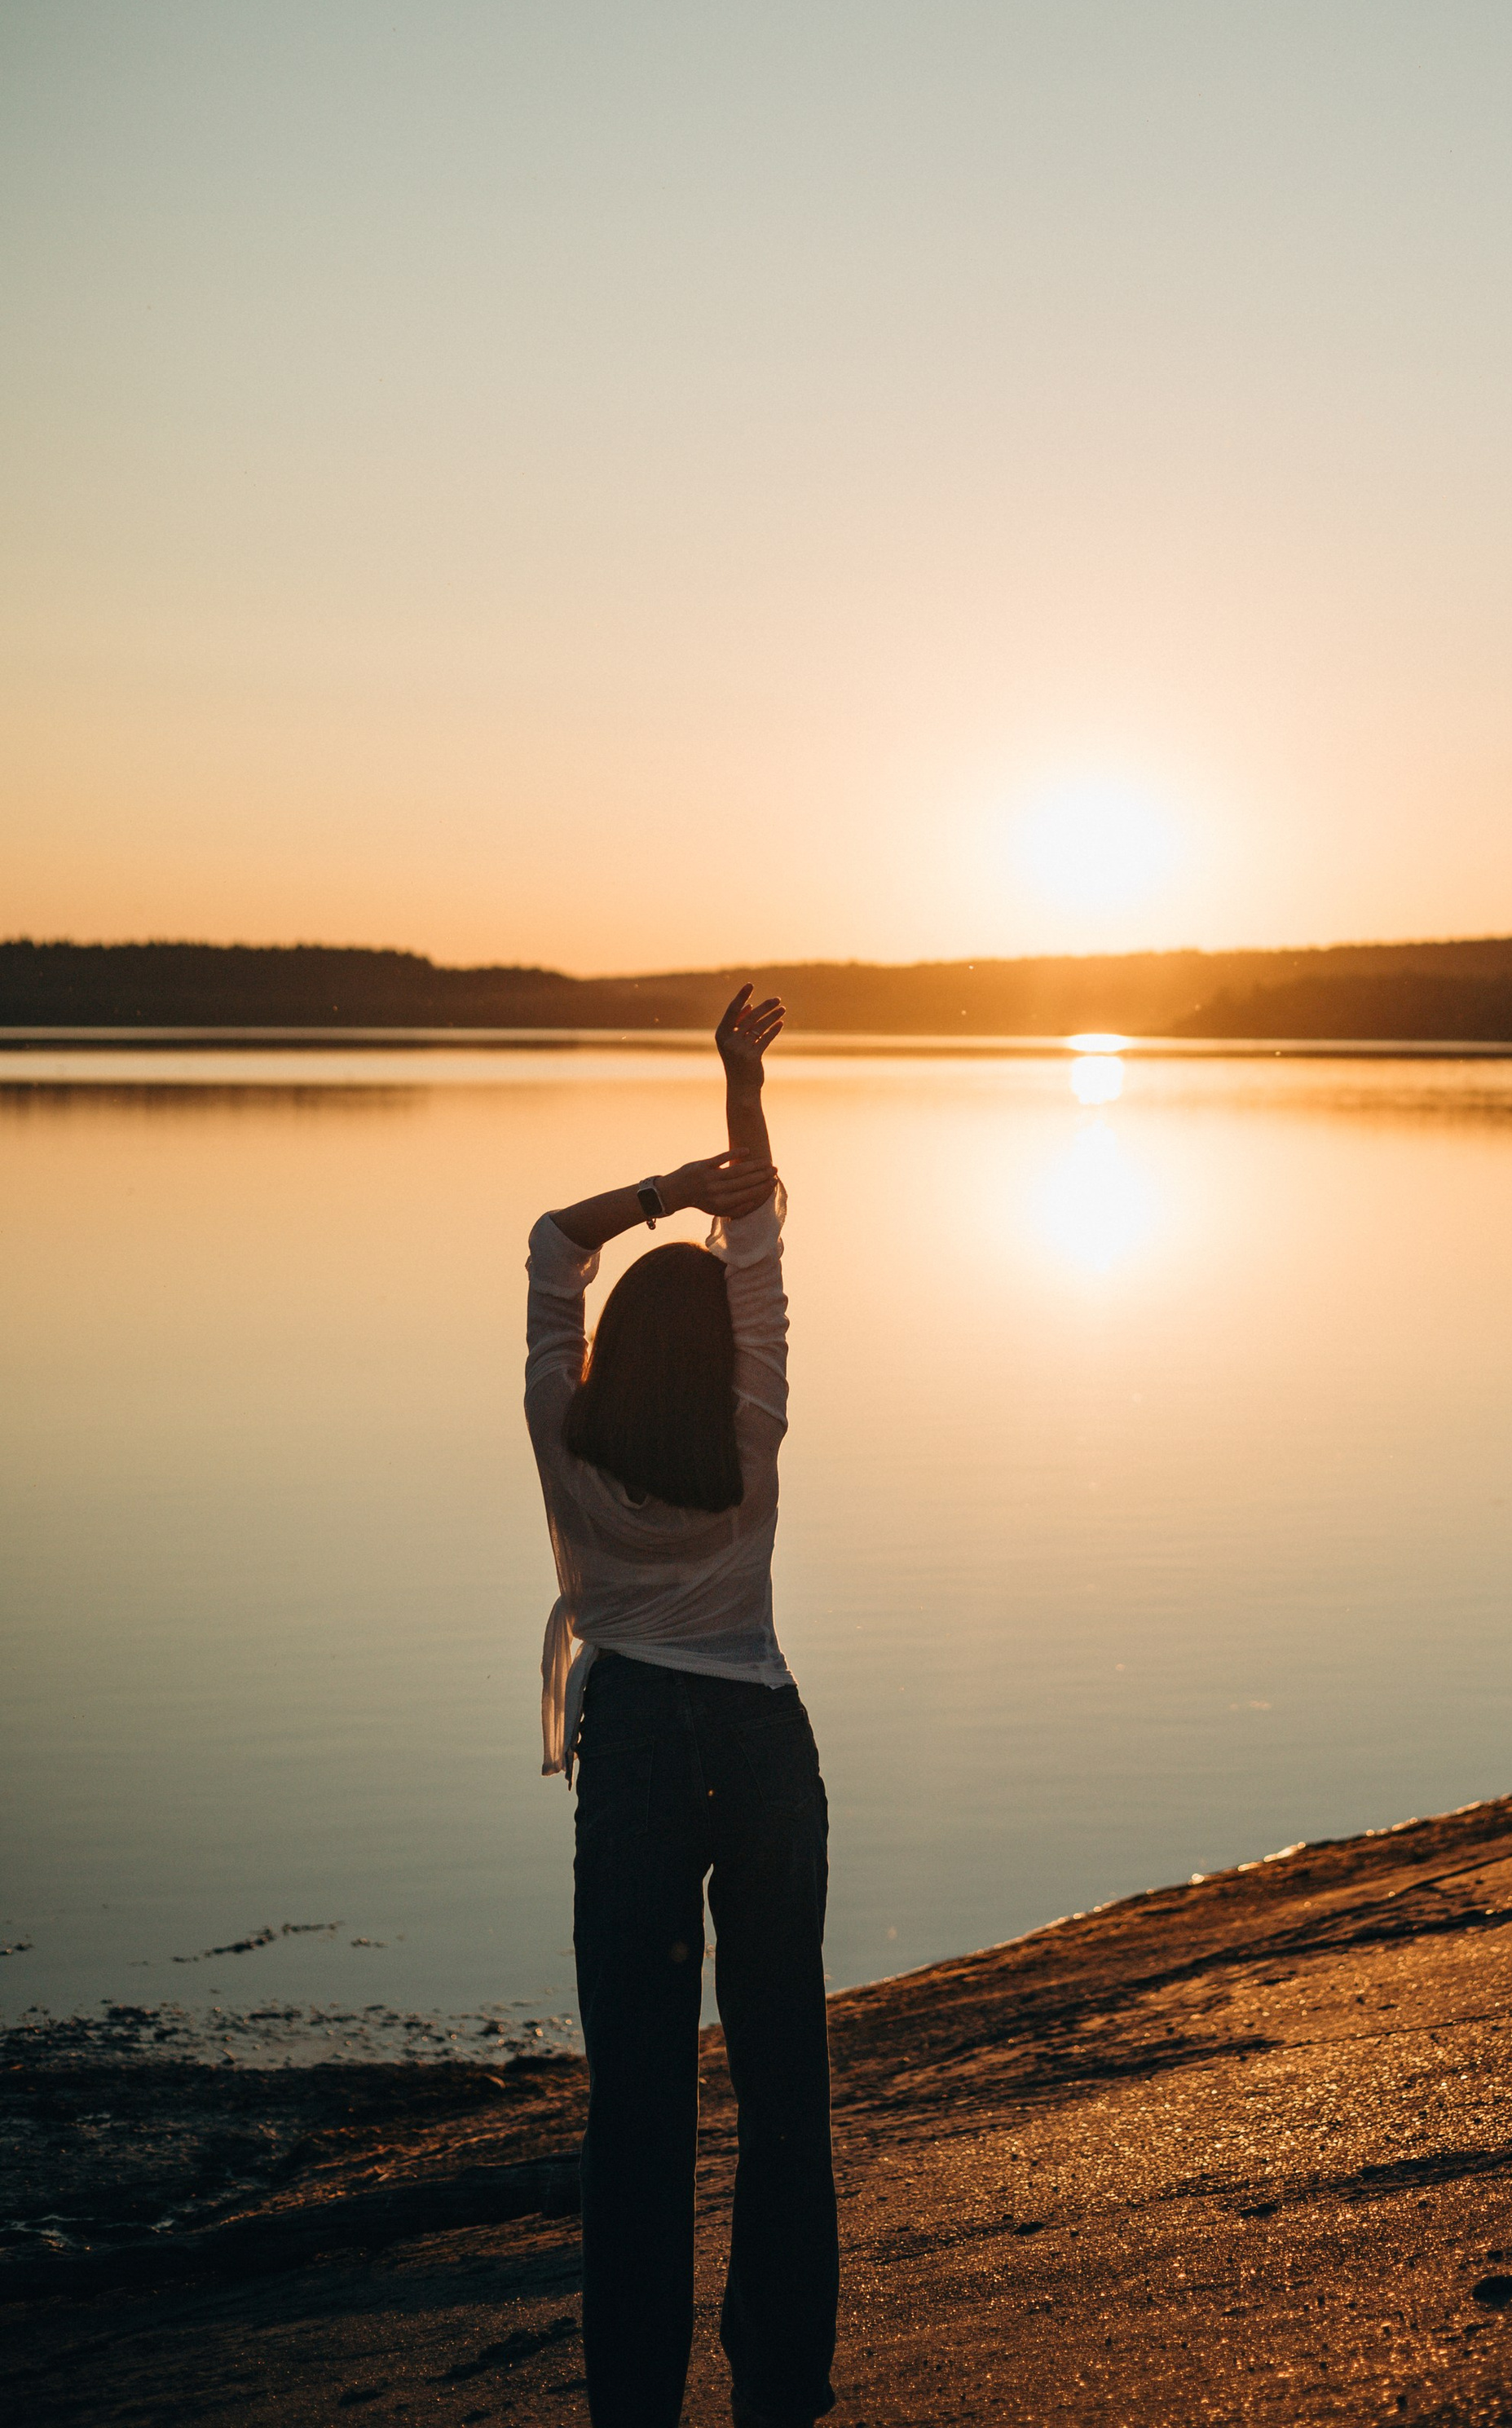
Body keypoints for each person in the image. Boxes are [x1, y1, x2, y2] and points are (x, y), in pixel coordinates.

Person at [524, 985, 835, 2428]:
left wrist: (655, 1197)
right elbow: (761, 1240)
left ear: (612, 1352)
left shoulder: (567, 1437)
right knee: (781, 2088)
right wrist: (740, 1092)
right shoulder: (750, 1427)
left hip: (640, 1748)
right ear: (719, 1355)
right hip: (764, 1748)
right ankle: (780, 2388)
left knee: (637, 2108)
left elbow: (551, 1245)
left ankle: (635, 2405)